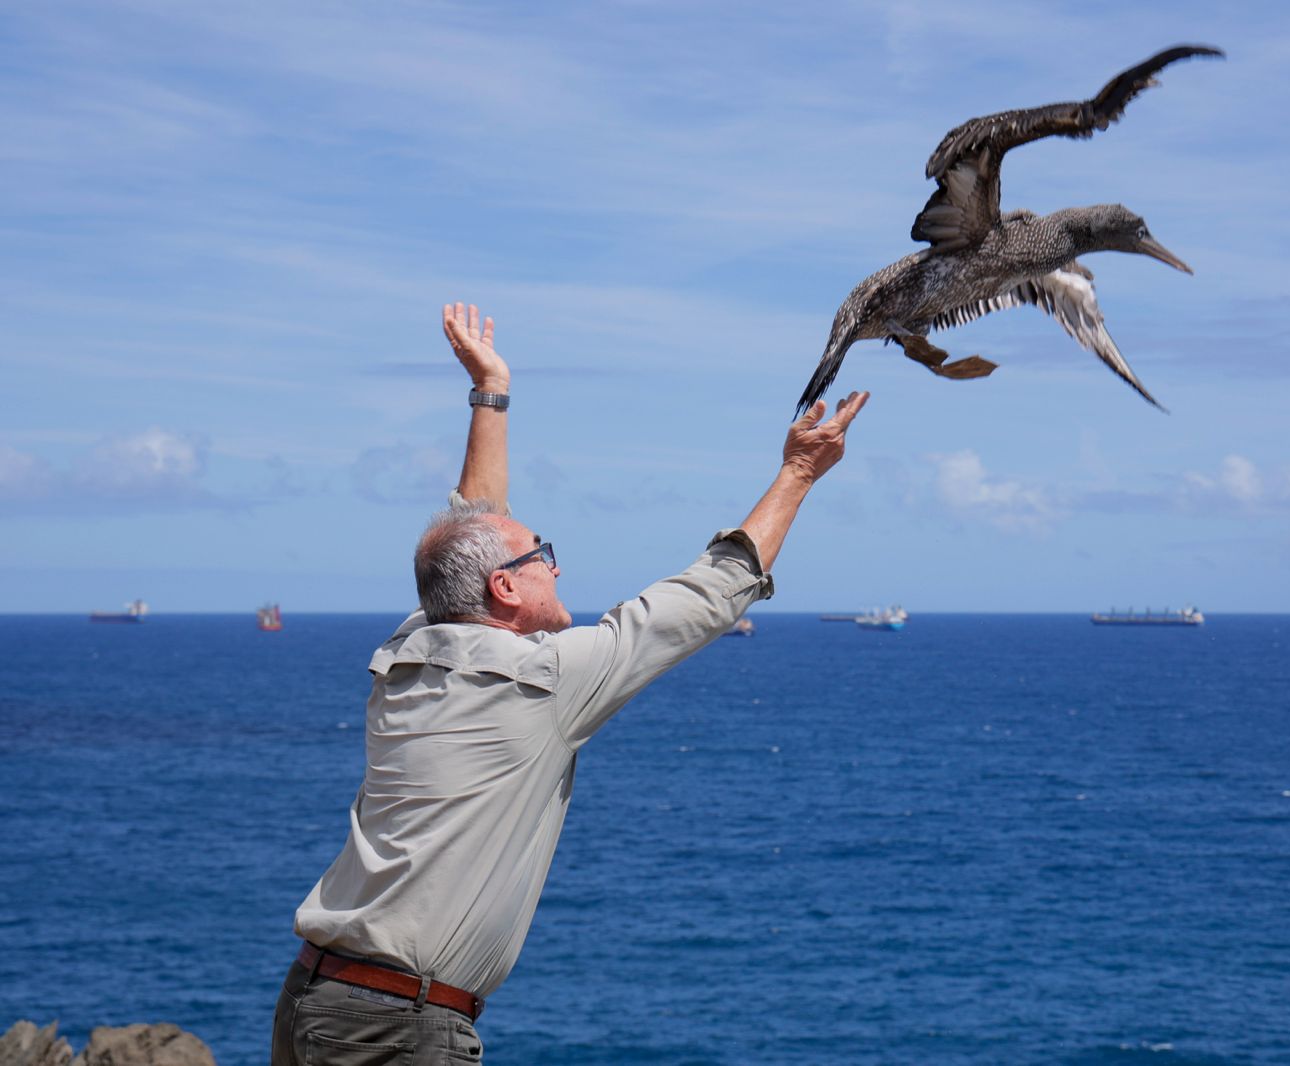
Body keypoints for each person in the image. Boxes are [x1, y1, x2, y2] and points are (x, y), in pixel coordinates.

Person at [271, 303, 868, 1064]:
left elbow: (476, 521)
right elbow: (703, 597)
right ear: (505, 590)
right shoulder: (542, 681)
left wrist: (491, 394)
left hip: (313, 1002)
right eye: (540, 554)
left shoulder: (411, 649)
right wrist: (798, 473)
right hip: (396, 1026)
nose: (554, 564)